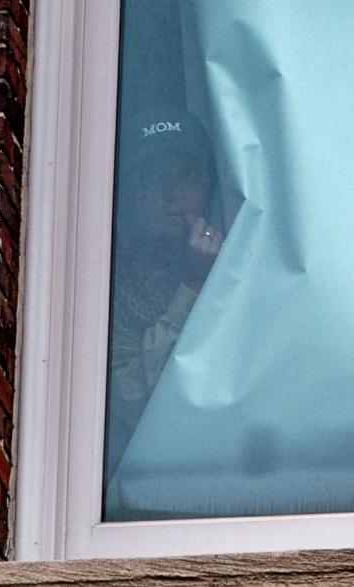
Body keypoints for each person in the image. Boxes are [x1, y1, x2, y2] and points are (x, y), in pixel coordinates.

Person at [105, 107, 222, 479]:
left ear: (208, 187)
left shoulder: (245, 265)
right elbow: (134, 398)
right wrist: (193, 285)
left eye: (186, 175)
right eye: (154, 177)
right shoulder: (111, 285)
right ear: (136, 194)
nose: (171, 192)